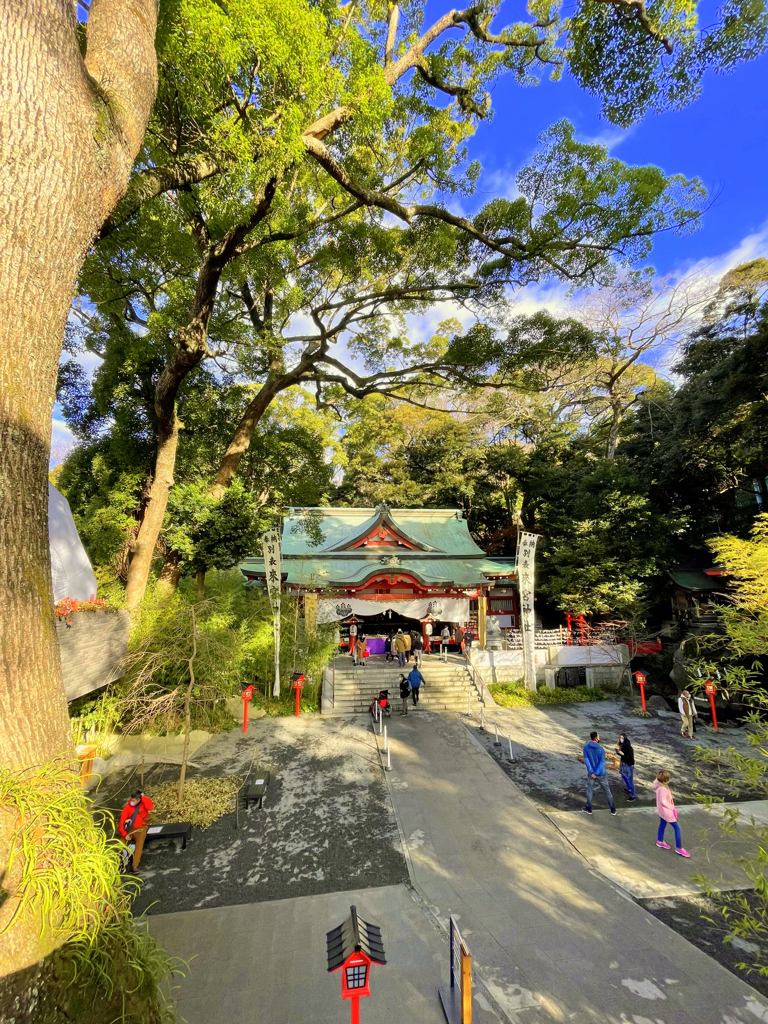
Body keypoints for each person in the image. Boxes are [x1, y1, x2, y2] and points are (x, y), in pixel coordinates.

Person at [653, 770, 690, 857]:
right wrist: (672, 807)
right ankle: (679, 848)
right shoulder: (663, 789)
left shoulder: (658, 785)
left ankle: (660, 841)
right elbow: (663, 801)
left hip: (662, 811)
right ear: (666, 780)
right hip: (667, 812)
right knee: (677, 828)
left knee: (662, 825)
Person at [119, 788, 154, 873]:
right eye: (131, 800)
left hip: (141, 828)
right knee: (121, 843)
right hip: (130, 830)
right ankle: (120, 862)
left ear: (139, 799)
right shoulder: (127, 808)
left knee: (140, 842)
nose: (132, 802)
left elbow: (150, 807)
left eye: (134, 800)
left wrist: (144, 798)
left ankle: (135, 865)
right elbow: (122, 822)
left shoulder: (143, 803)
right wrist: (124, 834)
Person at [582, 731, 617, 815]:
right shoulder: (600, 749)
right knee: (607, 790)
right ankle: (612, 809)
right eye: (598, 737)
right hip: (601, 773)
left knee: (590, 790)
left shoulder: (586, 747)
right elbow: (602, 763)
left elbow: (586, 761)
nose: (599, 738)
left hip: (591, 773)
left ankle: (588, 808)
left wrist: (592, 772)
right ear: (596, 738)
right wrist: (597, 773)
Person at [615, 732, 636, 800]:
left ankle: (633, 795)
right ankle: (629, 788)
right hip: (623, 763)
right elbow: (622, 755)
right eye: (620, 738)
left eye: (622, 738)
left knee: (630, 780)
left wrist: (622, 754)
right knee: (623, 775)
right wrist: (618, 752)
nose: (621, 739)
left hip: (629, 765)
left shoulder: (628, 748)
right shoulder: (623, 746)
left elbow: (629, 758)